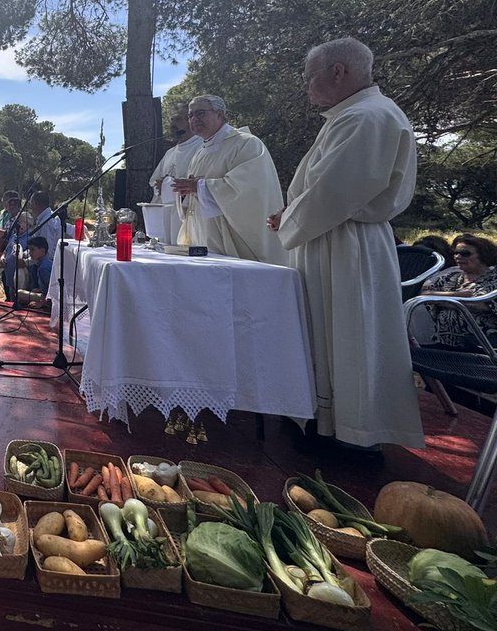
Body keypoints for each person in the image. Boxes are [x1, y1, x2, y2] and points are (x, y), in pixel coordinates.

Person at [270, 36, 422, 448]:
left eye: (310, 76)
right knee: (324, 331)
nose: (307, 86)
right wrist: (291, 217)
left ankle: (349, 433)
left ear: (339, 71)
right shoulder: (352, 115)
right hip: (328, 236)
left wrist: (289, 219)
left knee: (346, 334)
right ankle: (321, 418)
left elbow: (333, 192)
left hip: (345, 245)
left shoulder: (367, 118)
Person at [171, 95, 286, 265]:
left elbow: (249, 190)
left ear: (220, 114)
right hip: (203, 239)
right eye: (190, 116)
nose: (194, 119)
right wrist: (185, 193)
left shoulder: (246, 144)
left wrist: (201, 187)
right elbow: (193, 199)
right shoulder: (199, 153)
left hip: (235, 244)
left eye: (200, 113)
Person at [420, 234, 497, 348]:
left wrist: (439, 300)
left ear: (483, 255)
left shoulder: (493, 278)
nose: (458, 257)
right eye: (455, 253)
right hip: (443, 342)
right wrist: (458, 295)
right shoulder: (451, 276)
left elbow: (480, 304)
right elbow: (423, 294)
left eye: (465, 253)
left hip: (483, 344)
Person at [149, 106, 201, 244]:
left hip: (189, 215)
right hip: (167, 215)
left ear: (190, 120)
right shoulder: (170, 153)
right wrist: (160, 186)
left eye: (178, 119)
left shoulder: (202, 146)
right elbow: (155, 181)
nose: (173, 124)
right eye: (171, 120)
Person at [16, 235, 54, 310]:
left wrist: (41, 303)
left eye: (32, 250)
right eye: (29, 250)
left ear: (42, 251)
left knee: (19, 293)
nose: (30, 253)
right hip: (45, 295)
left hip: (49, 299)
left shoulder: (44, 268)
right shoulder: (43, 263)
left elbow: (52, 289)